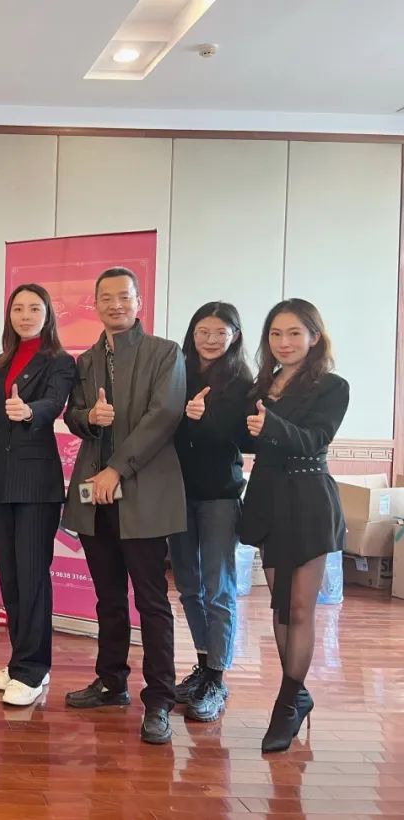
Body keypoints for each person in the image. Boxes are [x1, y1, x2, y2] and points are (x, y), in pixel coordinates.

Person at [61, 266, 185, 745]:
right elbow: (73, 414)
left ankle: (159, 700)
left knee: (151, 601)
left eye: (124, 297)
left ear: (139, 302)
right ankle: (111, 682)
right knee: (108, 597)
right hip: (96, 497)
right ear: (95, 304)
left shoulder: (164, 353)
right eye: (107, 298)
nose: (116, 305)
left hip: (143, 494)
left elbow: (164, 416)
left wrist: (117, 469)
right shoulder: (87, 360)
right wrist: (88, 417)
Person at [238, 299, 348, 753]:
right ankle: (297, 695)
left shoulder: (332, 386)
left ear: (314, 337)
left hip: (308, 499)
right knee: (281, 607)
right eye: (275, 334)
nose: (283, 343)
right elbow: (246, 437)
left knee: (301, 608)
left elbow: (315, 440)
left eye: (294, 333)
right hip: (267, 497)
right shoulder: (261, 385)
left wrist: (271, 425)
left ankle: (286, 703)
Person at [0, 284, 76, 706]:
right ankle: (21, 657)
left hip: (37, 483)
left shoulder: (60, 361)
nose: (25, 315)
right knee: (11, 577)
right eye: (18, 308)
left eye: (34, 308)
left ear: (47, 314)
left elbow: (54, 403)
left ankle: (33, 670)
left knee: (33, 574)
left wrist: (29, 411)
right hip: (1, 480)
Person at [169, 302, 253, 723]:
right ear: (192, 332)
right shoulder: (177, 370)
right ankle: (203, 664)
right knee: (187, 585)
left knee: (218, 586)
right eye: (204, 331)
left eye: (221, 332)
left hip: (220, 495)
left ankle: (217, 678)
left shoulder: (242, 380)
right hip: (176, 492)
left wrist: (205, 418)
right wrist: (187, 419)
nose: (211, 339)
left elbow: (243, 440)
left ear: (235, 336)